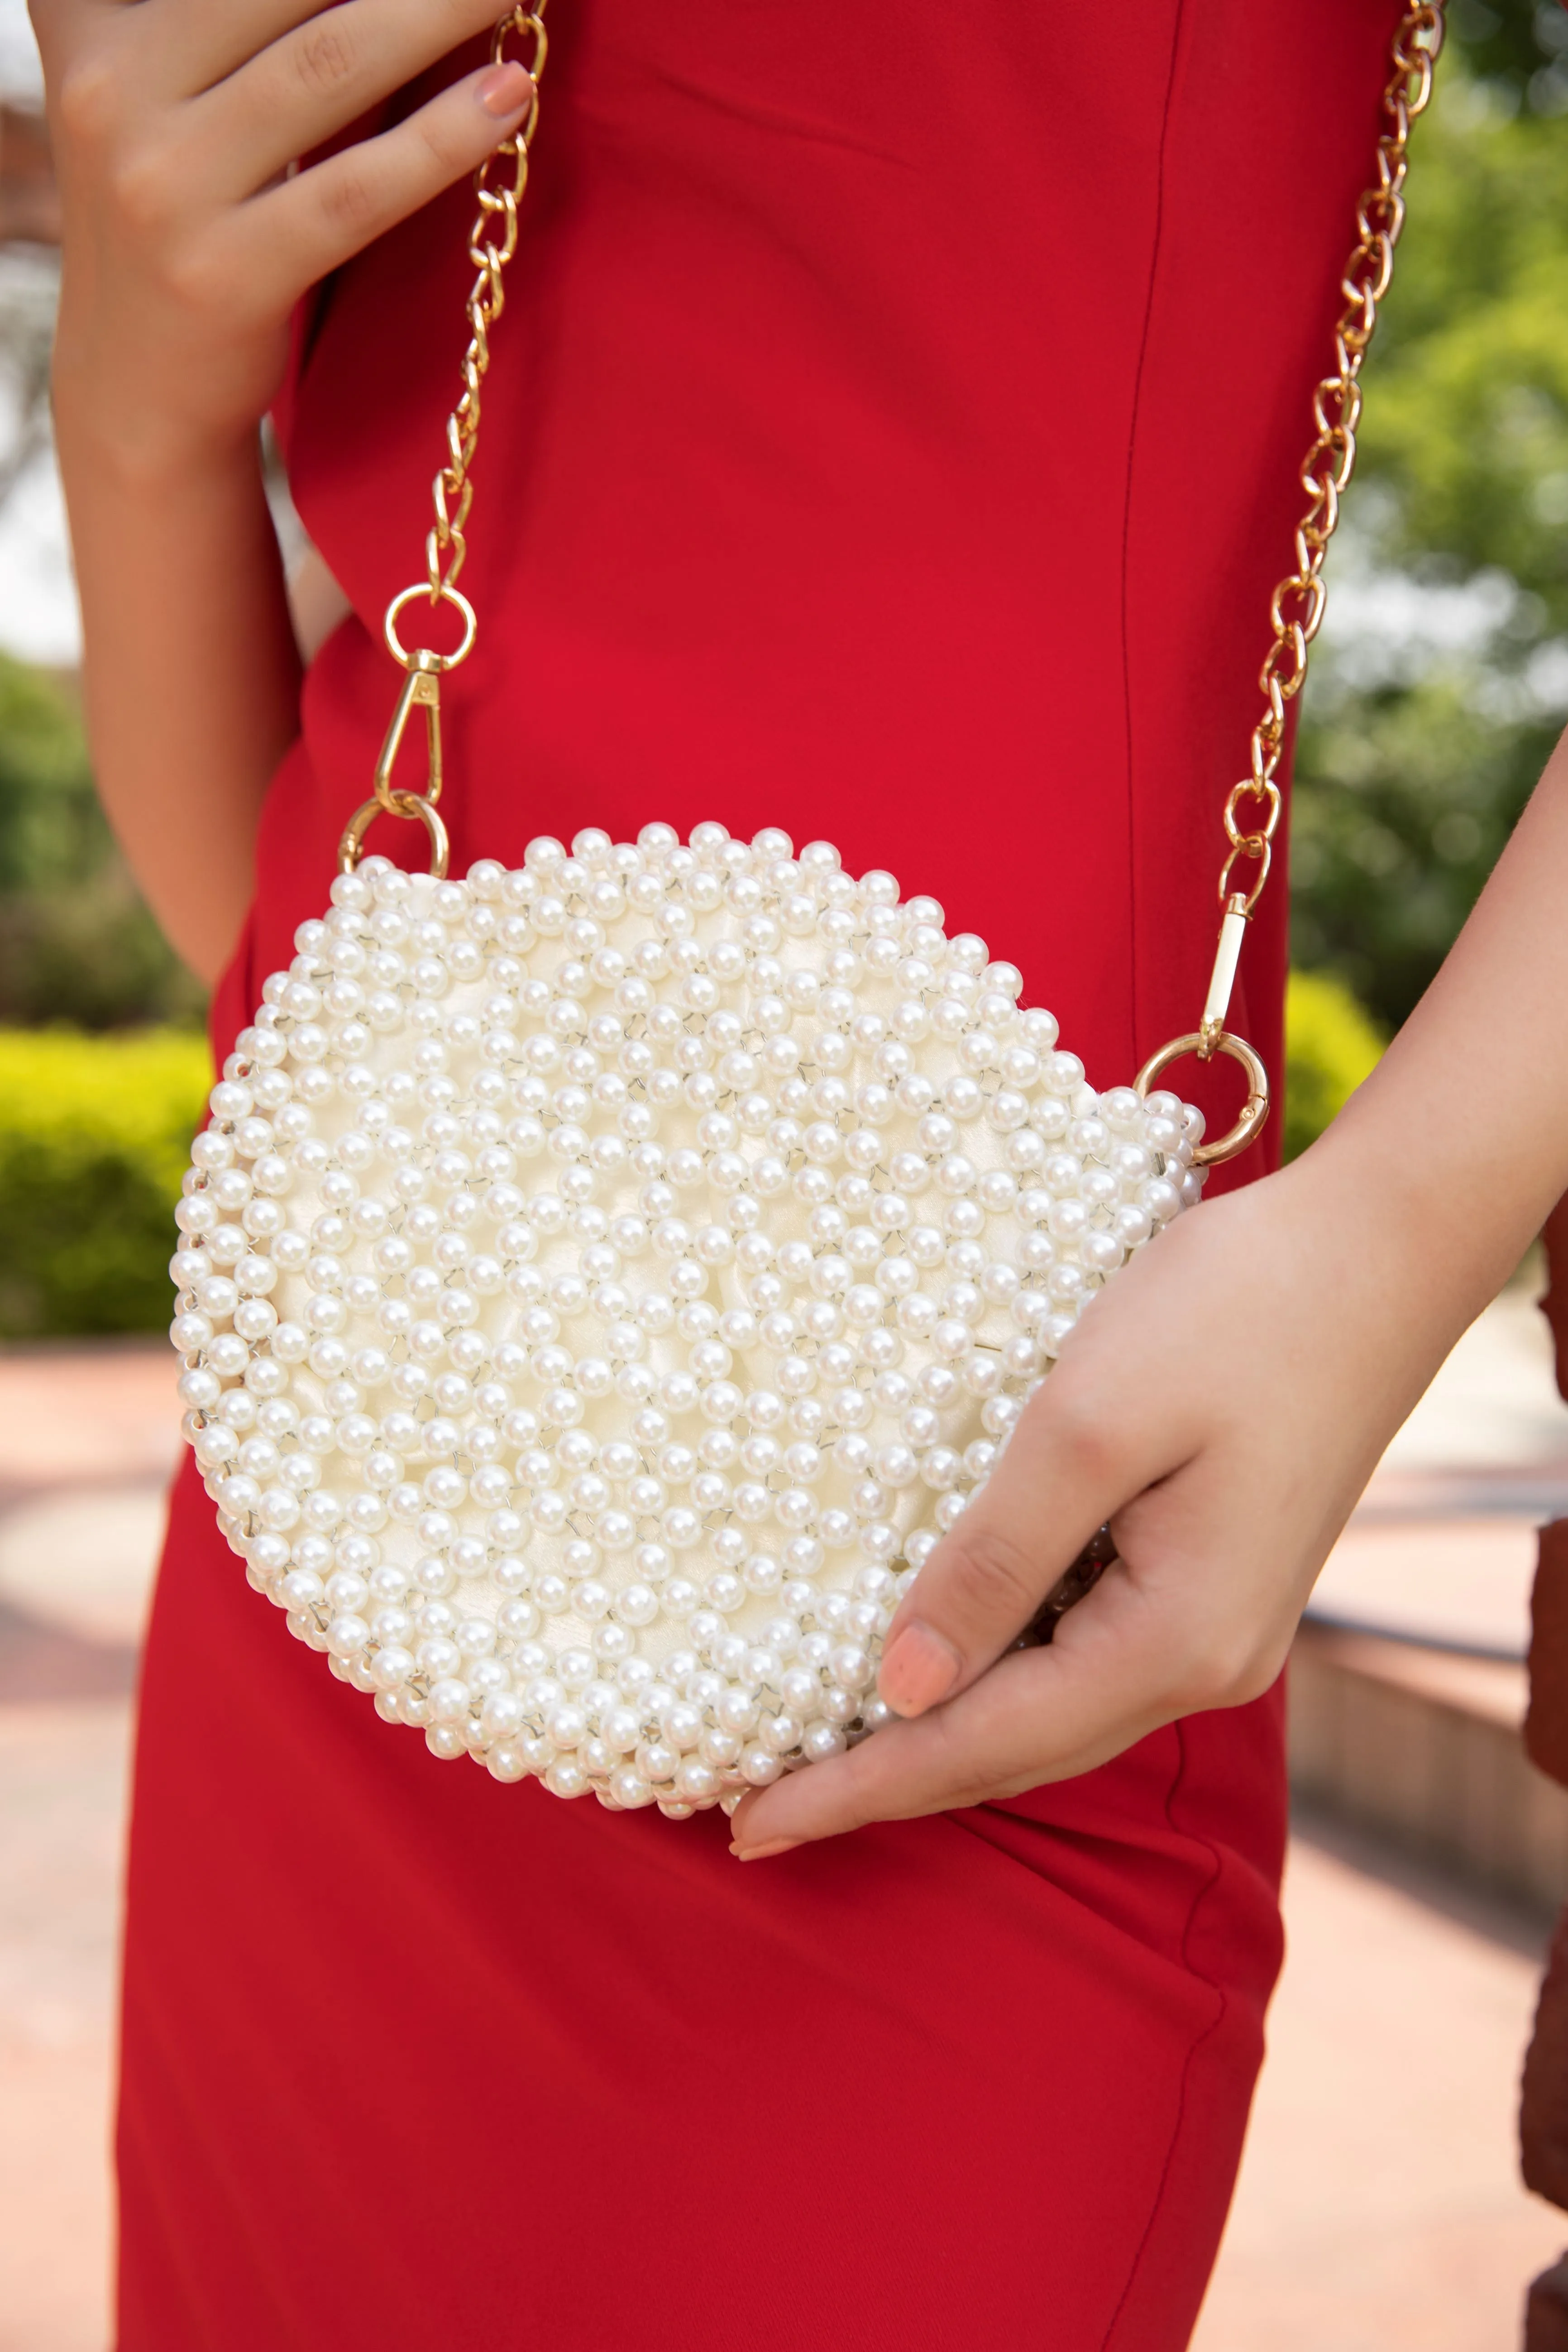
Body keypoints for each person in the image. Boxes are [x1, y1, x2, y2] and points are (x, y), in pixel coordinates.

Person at [30, 0, 1567, 2344]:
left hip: (995, 1554)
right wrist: (135, 418)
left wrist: (1395, 1228)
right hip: (367, 1515)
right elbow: (277, 872)